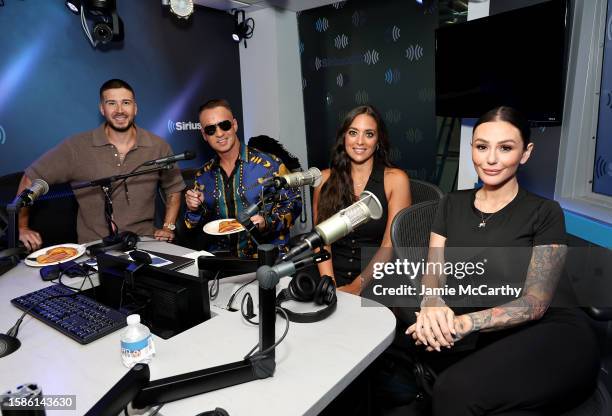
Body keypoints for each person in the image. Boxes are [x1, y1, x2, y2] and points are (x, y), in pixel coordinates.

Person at [406, 106, 599, 415]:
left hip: (553, 332)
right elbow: (434, 270)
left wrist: (463, 324)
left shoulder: (545, 212)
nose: (491, 159)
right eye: (482, 146)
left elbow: (536, 302)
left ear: (526, 152)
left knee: (453, 391)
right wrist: (432, 303)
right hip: (488, 333)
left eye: (505, 148)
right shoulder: (450, 204)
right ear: (471, 147)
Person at [16, 79, 186, 251]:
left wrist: (168, 227)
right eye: (111, 103)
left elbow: (173, 188)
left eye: (125, 103)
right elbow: (30, 179)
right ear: (102, 109)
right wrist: (22, 228)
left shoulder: (158, 146)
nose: (120, 110)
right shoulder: (76, 147)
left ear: (135, 108)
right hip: (94, 250)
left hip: (146, 244)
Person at [184, 99, 301, 258]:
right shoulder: (203, 176)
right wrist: (193, 209)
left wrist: (267, 222)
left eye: (224, 125)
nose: (219, 133)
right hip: (223, 265)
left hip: (268, 261)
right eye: (211, 129)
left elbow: (294, 202)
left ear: (234, 125)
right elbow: (192, 226)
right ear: (204, 135)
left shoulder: (270, 164)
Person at [313, 105, 411, 293]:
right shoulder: (323, 180)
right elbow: (321, 242)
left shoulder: (396, 180)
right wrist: (329, 284)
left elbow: (388, 246)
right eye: (353, 132)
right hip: (330, 272)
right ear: (344, 137)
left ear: (378, 140)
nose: (360, 141)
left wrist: (354, 288)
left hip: (376, 275)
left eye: (369, 134)